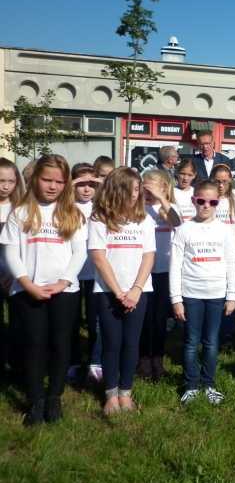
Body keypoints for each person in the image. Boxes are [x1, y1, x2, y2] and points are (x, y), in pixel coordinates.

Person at [0, 155, 86, 426]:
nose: (52, 186)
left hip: (65, 291)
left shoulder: (73, 213)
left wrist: (63, 282)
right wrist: (26, 284)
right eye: (47, 180)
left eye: (59, 182)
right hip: (28, 290)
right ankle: (35, 398)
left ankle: (54, 397)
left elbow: (80, 253)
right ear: (35, 178)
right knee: (33, 344)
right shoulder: (20, 213)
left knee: (61, 344)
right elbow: (11, 253)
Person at [89, 167, 156, 415]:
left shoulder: (144, 220)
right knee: (111, 343)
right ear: (117, 190)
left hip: (138, 291)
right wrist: (118, 292)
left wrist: (136, 289)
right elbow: (98, 257)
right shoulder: (99, 219)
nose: (135, 194)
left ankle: (125, 392)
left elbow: (148, 256)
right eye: (131, 189)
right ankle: (111, 394)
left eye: (138, 189)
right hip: (108, 292)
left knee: (131, 343)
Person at [170, 179, 235, 405]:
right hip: (190, 294)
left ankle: (208, 384)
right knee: (191, 341)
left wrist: (232, 296)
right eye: (201, 201)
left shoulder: (226, 231)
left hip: (217, 294)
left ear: (218, 203)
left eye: (212, 202)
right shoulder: (183, 230)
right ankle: (191, 385)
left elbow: (232, 264)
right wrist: (176, 299)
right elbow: (175, 266)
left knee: (211, 342)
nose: (206, 206)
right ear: (194, 201)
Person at [138, 169, 181, 380]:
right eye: (145, 187)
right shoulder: (138, 208)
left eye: (152, 187)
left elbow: (178, 223)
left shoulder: (170, 208)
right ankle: (143, 360)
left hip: (164, 270)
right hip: (142, 271)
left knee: (160, 318)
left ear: (164, 187)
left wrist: (162, 199)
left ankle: (158, 358)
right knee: (144, 318)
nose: (148, 192)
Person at [68, 163, 102, 384]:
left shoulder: (100, 206)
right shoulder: (65, 206)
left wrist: (101, 183)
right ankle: (72, 361)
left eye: (91, 184)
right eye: (82, 184)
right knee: (71, 321)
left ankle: (94, 361)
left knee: (94, 321)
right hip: (70, 273)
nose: (87, 189)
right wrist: (71, 184)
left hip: (94, 274)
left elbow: (116, 191)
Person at [0, 158, 24, 380]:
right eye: (1, 181)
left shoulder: (21, 209)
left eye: (10, 181)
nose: (5, 186)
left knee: (18, 322)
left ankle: (17, 364)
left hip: (16, 274)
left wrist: (13, 273)